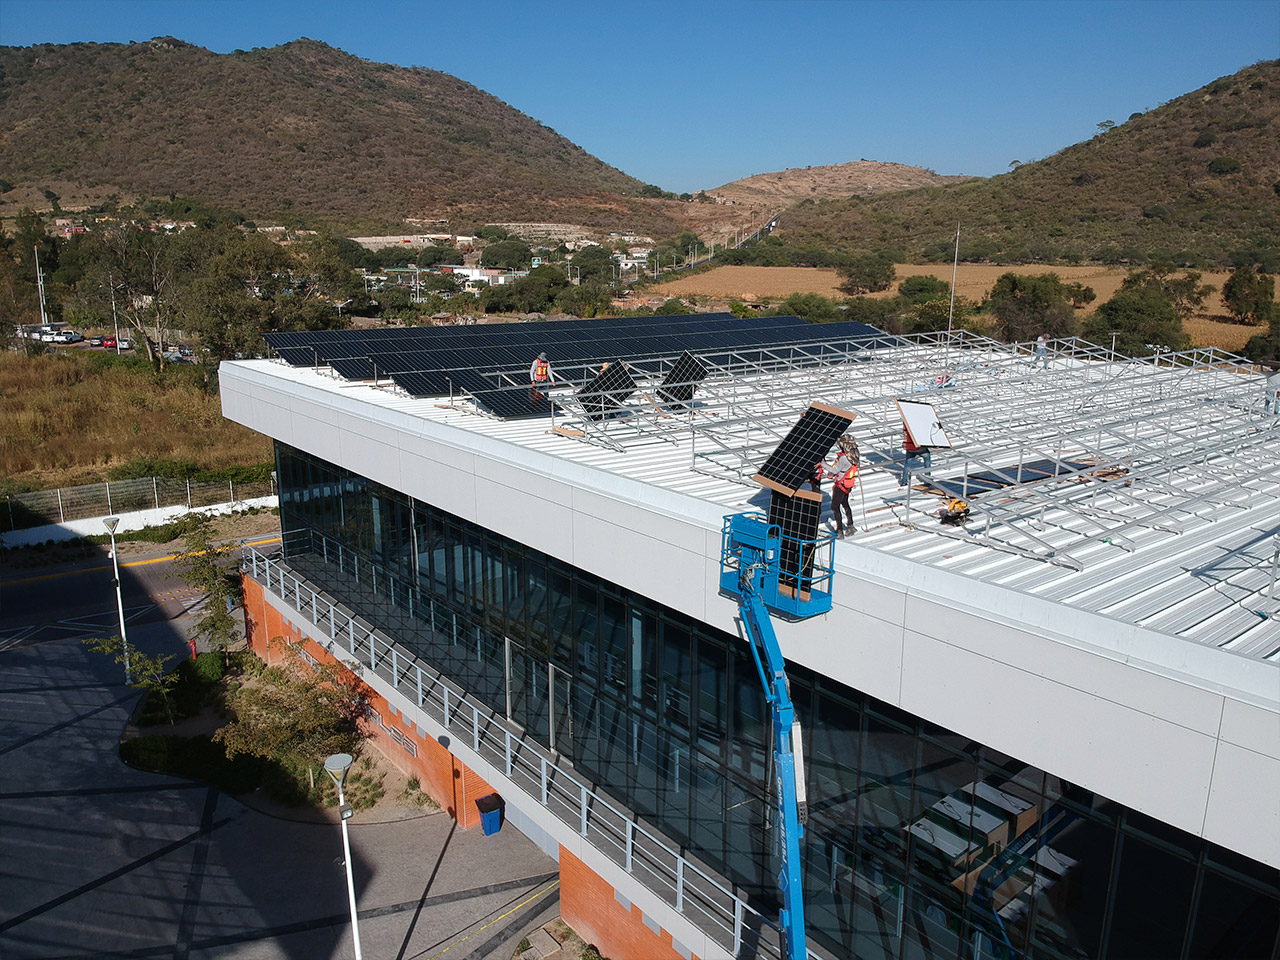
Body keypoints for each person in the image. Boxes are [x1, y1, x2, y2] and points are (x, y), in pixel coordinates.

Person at [827, 438, 859, 538]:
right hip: (848, 484)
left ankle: (839, 531)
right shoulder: (854, 455)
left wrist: (823, 464)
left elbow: (835, 470)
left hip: (840, 485)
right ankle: (850, 526)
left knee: (834, 506)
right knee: (845, 503)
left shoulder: (844, 458)